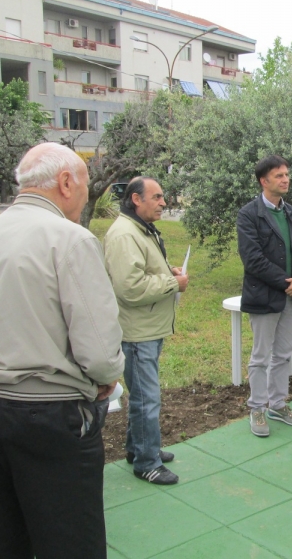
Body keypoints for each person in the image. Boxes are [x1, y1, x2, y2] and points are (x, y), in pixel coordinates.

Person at [0, 143, 124, 559]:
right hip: (43, 414)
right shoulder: (70, 238)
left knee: (3, 530)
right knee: (68, 540)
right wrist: (106, 379)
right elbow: (100, 352)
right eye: (84, 182)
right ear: (67, 182)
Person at [103, 177, 188, 485]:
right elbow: (130, 288)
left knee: (143, 395)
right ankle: (147, 463)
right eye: (157, 197)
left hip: (147, 328)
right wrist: (171, 283)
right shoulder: (126, 235)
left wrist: (168, 272)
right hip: (137, 333)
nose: (163, 202)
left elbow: (142, 271)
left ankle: (138, 449)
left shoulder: (139, 229)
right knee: (146, 398)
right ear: (136, 200)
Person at [237, 155, 292, 437]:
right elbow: (252, 259)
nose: (286, 179)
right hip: (265, 295)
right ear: (263, 181)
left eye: (286, 174)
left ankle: (277, 404)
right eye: (279, 175)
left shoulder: (290, 212)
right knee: (260, 356)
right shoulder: (248, 214)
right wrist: (286, 282)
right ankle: (257, 407)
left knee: (284, 354)